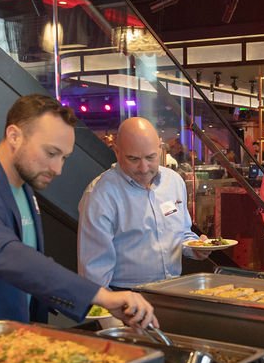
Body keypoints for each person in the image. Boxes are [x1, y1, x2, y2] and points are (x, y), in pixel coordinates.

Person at [0, 94, 155, 335]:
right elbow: (6, 254)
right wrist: (101, 295)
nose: (58, 168)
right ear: (14, 136)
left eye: (63, 157)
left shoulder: (24, 186)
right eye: (51, 153)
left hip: (12, 336)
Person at [78, 117, 203, 289]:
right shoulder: (100, 194)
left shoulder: (174, 181)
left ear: (160, 148)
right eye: (133, 159)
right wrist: (109, 310)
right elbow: (93, 271)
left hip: (174, 289)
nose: (144, 168)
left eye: (150, 157)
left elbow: (181, 232)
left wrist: (196, 247)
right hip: (126, 295)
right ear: (117, 151)